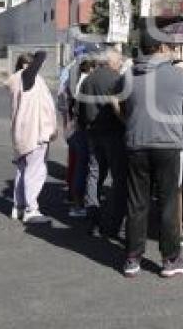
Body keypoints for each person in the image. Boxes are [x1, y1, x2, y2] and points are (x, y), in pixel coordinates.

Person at [121, 35, 183, 278]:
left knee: (136, 202)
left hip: (136, 143)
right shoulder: (179, 75)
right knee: (168, 203)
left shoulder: (129, 76)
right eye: (171, 47)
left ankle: (132, 258)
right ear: (162, 47)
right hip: (168, 144)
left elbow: (124, 107)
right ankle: (170, 259)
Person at [5, 50, 56, 224]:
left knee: (23, 171)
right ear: (26, 66)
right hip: (34, 133)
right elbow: (42, 56)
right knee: (35, 172)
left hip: (22, 133)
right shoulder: (25, 78)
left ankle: (18, 207)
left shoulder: (17, 80)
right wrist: (38, 55)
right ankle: (30, 210)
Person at [80, 47, 127, 238]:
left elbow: (80, 107)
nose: (122, 63)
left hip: (93, 132)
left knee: (94, 174)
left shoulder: (88, 79)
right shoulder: (116, 79)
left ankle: (93, 216)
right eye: (120, 61)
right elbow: (122, 106)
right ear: (111, 61)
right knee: (118, 177)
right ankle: (115, 220)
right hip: (113, 133)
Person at [67, 58, 94, 217]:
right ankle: (80, 203)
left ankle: (77, 200)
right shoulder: (86, 82)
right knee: (85, 166)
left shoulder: (79, 80)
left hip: (79, 127)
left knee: (80, 165)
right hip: (84, 129)